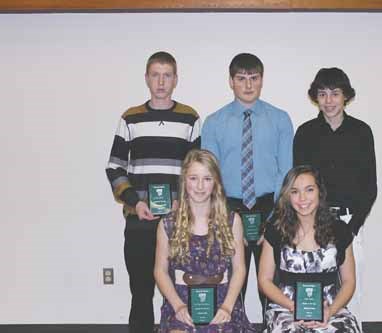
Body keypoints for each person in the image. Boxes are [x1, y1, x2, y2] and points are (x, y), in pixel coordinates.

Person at [105, 51, 201, 333]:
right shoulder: (130, 118)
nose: (161, 81)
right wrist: (135, 203)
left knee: (184, 293)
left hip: (179, 222)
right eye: (155, 75)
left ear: (176, 80)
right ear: (147, 78)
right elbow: (114, 168)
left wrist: (179, 201)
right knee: (142, 293)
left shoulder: (190, 118)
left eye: (167, 75)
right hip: (140, 221)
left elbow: (196, 171)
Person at [201, 53, 294, 316]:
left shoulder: (280, 119)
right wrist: (220, 217)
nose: (248, 85)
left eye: (254, 78)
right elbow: (210, 177)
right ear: (231, 82)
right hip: (229, 207)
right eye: (241, 78)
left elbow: (286, 173)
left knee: (273, 285)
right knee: (232, 284)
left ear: (262, 80)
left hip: (270, 205)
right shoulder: (213, 123)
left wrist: (277, 217)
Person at [293, 67, 377, 325]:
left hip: (350, 222)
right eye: (323, 94)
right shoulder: (305, 133)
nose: (329, 101)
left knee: (352, 290)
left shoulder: (361, 132)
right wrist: (308, 222)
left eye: (335, 94)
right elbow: (299, 185)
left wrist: (352, 228)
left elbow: (370, 186)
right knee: (314, 292)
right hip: (313, 223)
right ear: (315, 97)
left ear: (345, 96)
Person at [154, 149, 255, 332]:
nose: (200, 186)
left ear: (216, 183)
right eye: (193, 178)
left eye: (207, 179)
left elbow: (239, 269)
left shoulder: (232, 221)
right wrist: (178, 306)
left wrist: (227, 306)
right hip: (181, 301)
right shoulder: (167, 224)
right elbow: (160, 271)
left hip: (223, 299)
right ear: (184, 180)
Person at [258, 165, 361, 333]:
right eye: (295, 191)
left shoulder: (340, 230)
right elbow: (264, 280)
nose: (302, 198)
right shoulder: (275, 230)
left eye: (309, 190)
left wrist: (330, 311)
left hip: (330, 308)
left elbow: (349, 281)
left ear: (320, 192)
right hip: (286, 308)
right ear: (287, 196)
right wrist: (294, 307)